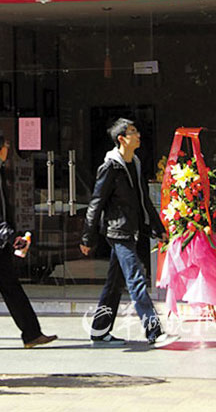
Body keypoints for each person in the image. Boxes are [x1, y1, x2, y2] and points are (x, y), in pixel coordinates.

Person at [80, 118, 179, 348]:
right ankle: (154, 332)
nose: (138, 135)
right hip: (118, 231)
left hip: (130, 229)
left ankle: (100, 330)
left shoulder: (134, 163)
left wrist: (158, 228)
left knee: (114, 284)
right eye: (133, 132)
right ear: (122, 139)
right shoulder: (110, 167)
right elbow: (96, 203)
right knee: (136, 279)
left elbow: (144, 200)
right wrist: (87, 237)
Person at [0, 129, 57, 350]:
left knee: (10, 289)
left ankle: (31, 334)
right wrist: (12, 237)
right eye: (6, 146)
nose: (8, 150)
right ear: (1, 149)